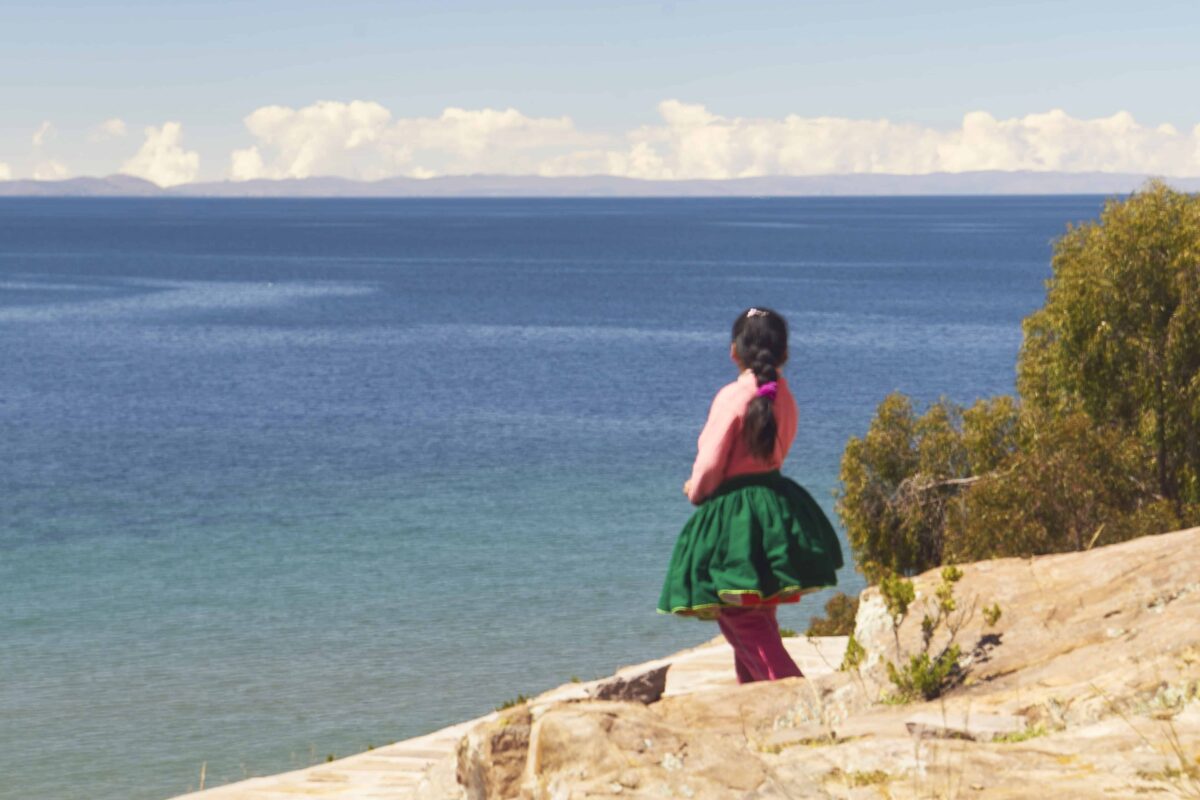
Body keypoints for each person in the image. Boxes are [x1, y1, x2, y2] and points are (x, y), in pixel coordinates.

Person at [658, 306, 843, 683]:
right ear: (785, 353)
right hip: (775, 508)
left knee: (740, 615)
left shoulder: (731, 397)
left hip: (737, 517)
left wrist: (696, 491)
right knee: (757, 613)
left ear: (733, 352)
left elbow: (711, 462)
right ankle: (757, 694)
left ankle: (792, 694)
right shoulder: (785, 397)